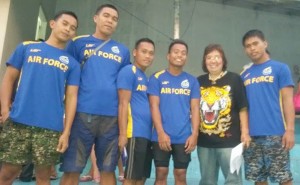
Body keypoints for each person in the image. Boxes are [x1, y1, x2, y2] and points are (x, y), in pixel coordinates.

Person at [0, 10, 80, 185]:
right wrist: (5, 110)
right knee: (7, 173)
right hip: (18, 122)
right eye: (64, 24)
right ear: (52, 24)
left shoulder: (72, 63)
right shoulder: (26, 47)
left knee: (43, 176)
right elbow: (8, 79)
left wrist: (66, 132)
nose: (68, 29)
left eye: (72, 28)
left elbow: (72, 97)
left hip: (50, 128)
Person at [60, 4, 131, 185]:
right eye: (106, 16)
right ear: (95, 18)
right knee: (72, 169)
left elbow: (124, 92)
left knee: (108, 170)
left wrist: (123, 131)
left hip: (111, 119)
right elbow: (66, 78)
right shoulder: (77, 43)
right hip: (82, 115)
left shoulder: (122, 51)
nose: (110, 21)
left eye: (114, 19)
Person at [241, 29, 295, 185]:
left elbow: (287, 101)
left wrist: (290, 130)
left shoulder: (280, 68)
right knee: (259, 180)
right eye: (248, 45)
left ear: (265, 43)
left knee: (283, 178)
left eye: (255, 43)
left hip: (276, 134)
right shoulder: (244, 74)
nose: (252, 48)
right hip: (251, 138)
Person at [197, 44, 251, 185]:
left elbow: (242, 108)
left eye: (217, 57)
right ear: (204, 61)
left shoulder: (234, 79)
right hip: (204, 142)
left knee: (233, 180)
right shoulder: (198, 81)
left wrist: (245, 132)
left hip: (230, 142)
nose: (213, 60)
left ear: (223, 60)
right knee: (206, 181)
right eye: (209, 57)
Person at [147, 39, 200, 185]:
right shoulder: (156, 78)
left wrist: (194, 134)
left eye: (183, 53)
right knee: (161, 173)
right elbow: (154, 106)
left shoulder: (192, 81)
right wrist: (160, 133)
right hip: (161, 136)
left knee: (181, 174)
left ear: (186, 57)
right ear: (168, 56)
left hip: (183, 137)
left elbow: (195, 108)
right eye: (176, 52)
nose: (179, 55)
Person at [117, 38, 155, 185]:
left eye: (151, 53)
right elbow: (123, 103)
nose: (147, 56)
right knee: (131, 178)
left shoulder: (145, 77)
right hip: (134, 133)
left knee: (141, 178)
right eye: (144, 52)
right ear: (135, 52)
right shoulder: (128, 71)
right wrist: (122, 134)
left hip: (147, 136)